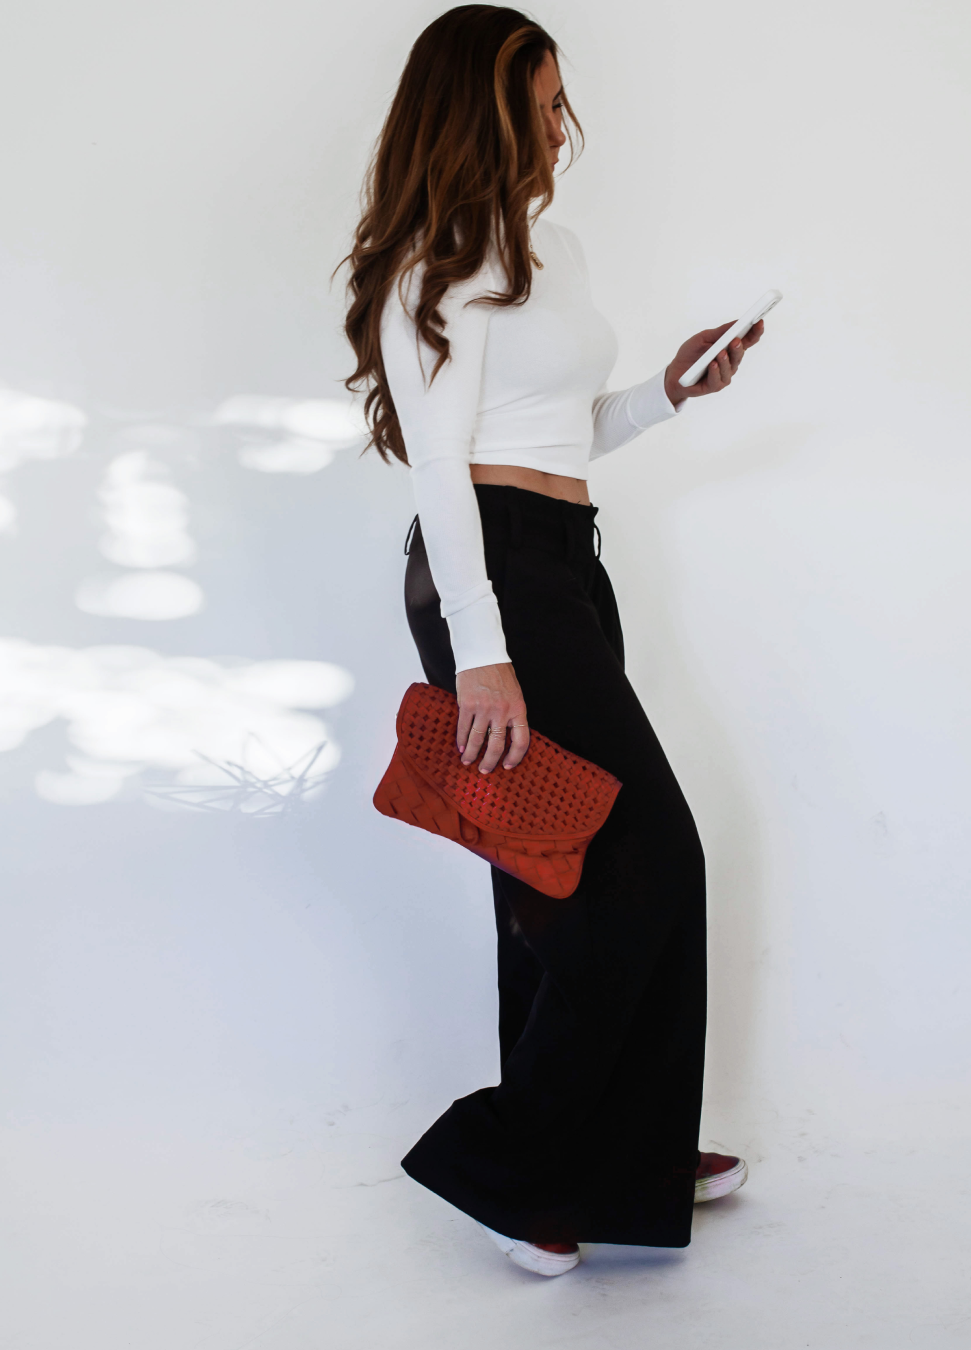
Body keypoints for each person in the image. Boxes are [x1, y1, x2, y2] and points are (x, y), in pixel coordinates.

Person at [343, 5, 764, 1277]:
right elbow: (442, 470)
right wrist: (482, 647)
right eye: (538, 100)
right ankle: (520, 1162)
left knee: (559, 866)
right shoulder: (437, 262)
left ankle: (611, 1151)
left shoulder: (551, 248)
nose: (557, 121)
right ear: (482, 106)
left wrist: (669, 393)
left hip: (565, 561)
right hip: (494, 575)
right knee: (646, 859)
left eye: (560, 99)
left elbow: (560, 435)